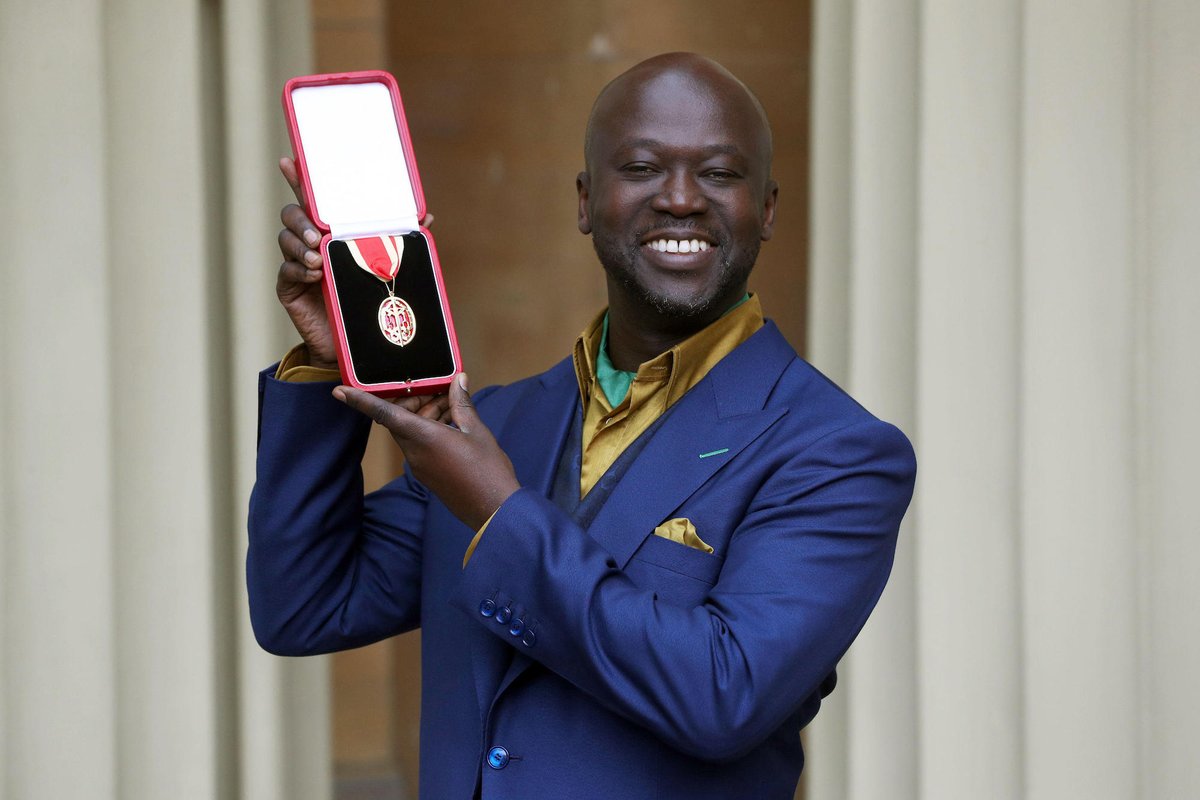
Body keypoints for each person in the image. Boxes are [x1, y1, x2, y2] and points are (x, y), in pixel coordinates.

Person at [249, 52, 916, 800]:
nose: (680, 198)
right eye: (641, 167)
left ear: (766, 209)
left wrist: (499, 513)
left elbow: (724, 697)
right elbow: (305, 608)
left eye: (720, 174)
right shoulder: (497, 423)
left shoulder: (838, 453)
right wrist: (321, 362)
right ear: (584, 200)